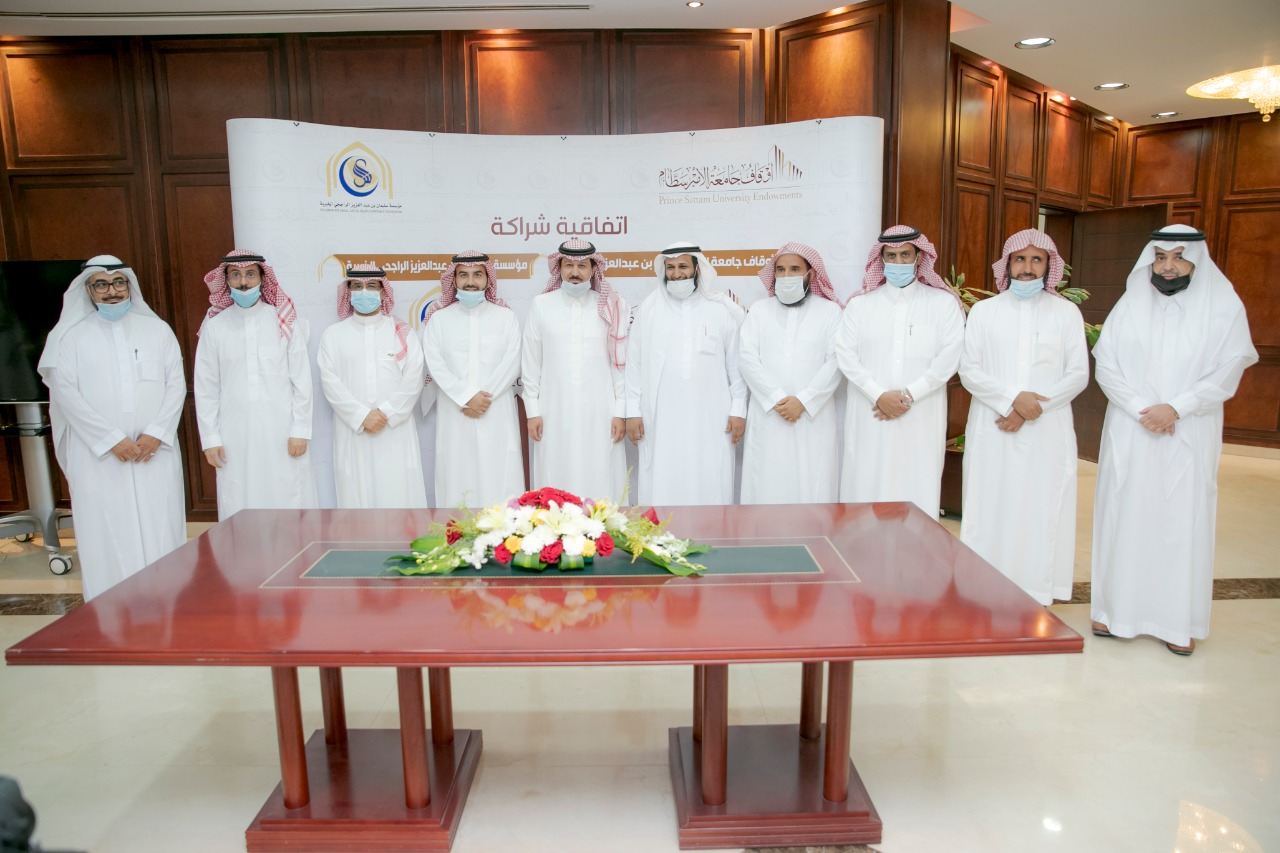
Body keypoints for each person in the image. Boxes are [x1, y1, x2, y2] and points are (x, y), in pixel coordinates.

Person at [1090, 225, 1257, 655]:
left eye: (1179, 257)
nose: (1168, 267)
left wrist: (1177, 408)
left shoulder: (1223, 307)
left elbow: (1230, 366)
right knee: (1124, 516)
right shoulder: (1130, 304)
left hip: (1189, 429)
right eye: (1160, 257)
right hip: (1132, 428)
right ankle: (1114, 611)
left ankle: (1175, 622)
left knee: (1181, 521)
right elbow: (1106, 366)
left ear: (1196, 260)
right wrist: (1142, 408)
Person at [36, 255, 186, 600]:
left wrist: (156, 433)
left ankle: (167, 601)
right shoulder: (70, 337)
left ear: (129, 285)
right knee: (106, 527)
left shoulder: (157, 330)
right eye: (101, 284)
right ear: (88, 290)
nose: (112, 291)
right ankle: (110, 607)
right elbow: (65, 393)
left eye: (118, 282)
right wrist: (110, 440)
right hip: (99, 455)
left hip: (153, 451)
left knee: (160, 522)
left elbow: (176, 384)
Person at [958, 230, 1089, 604]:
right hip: (993, 426)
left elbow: (1078, 374)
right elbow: (969, 369)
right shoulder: (985, 312)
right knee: (990, 503)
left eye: (1036, 260)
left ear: (1049, 265)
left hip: (1047, 428)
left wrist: (1034, 408)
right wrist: (1012, 401)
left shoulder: (1066, 313)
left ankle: (1037, 588)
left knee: (1040, 505)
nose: (1027, 268)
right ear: (1007, 264)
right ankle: (981, 586)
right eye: (1020, 259)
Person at [835, 225, 965, 518]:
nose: (898, 262)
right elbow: (846, 356)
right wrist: (879, 395)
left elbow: (949, 358)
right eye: (891, 256)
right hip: (870, 412)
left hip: (920, 415)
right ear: (880, 259)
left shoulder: (943, 304)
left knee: (916, 484)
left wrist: (908, 395)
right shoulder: (860, 305)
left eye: (905, 255)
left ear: (919, 257)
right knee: (866, 484)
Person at [193, 250, 317, 519]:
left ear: (262, 278)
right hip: (233, 433)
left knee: (287, 494)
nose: (243, 282)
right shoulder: (215, 327)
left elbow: (301, 380)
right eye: (235, 275)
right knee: (239, 496)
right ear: (226, 280)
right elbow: (206, 389)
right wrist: (210, 439)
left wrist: (300, 430)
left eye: (250, 274)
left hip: (282, 430)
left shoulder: (283, 321)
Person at [624, 241, 747, 505]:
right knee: (663, 479)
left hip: (712, 416)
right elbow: (634, 364)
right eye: (670, 268)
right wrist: (632, 411)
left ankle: (711, 528)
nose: (677, 273)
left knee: (710, 475)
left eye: (683, 266)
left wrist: (739, 410)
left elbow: (736, 365)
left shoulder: (720, 308)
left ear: (697, 269)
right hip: (660, 416)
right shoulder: (649, 309)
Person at [522, 238, 630, 501]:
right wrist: (532, 411)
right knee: (554, 471)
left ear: (593, 269)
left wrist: (620, 412)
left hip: (601, 410)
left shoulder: (611, 305)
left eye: (582, 266)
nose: (575, 272)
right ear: (558, 268)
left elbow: (620, 363)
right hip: (553, 409)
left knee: (601, 472)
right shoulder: (541, 304)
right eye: (568, 265)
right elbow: (531, 362)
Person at [738, 242, 844, 504]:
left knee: (812, 484)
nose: (786, 276)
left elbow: (836, 362)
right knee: (765, 483)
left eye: (795, 269)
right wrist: (777, 398)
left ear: (811, 274)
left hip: (812, 416)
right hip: (769, 413)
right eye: (781, 270)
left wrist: (804, 401)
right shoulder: (759, 310)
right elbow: (747, 359)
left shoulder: (831, 312)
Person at [317, 263, 427, 508]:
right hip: (353, 430)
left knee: (398, 493)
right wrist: (361, 416)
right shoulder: (333, 335)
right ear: (348, 292)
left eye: (371, 286)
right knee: (356, 497)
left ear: (383, 292)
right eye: (357, 286)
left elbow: (414, 379)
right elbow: (330, 381)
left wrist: (385, 412)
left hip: (394, 430)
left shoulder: (402, 332)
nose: (364, 292)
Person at [420, 251, 523, 507]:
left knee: (499, 472)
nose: (470, 282)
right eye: (463, 275)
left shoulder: (506, 317)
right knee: (457, 473)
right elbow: (434, 363)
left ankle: (504, 528)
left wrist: (484, 398)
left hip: (495, 408)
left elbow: (513, 360)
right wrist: (466, 396)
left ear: (488, 279)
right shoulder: (439, 320)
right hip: (455, 408)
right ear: (453, 280)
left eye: (477, 275)